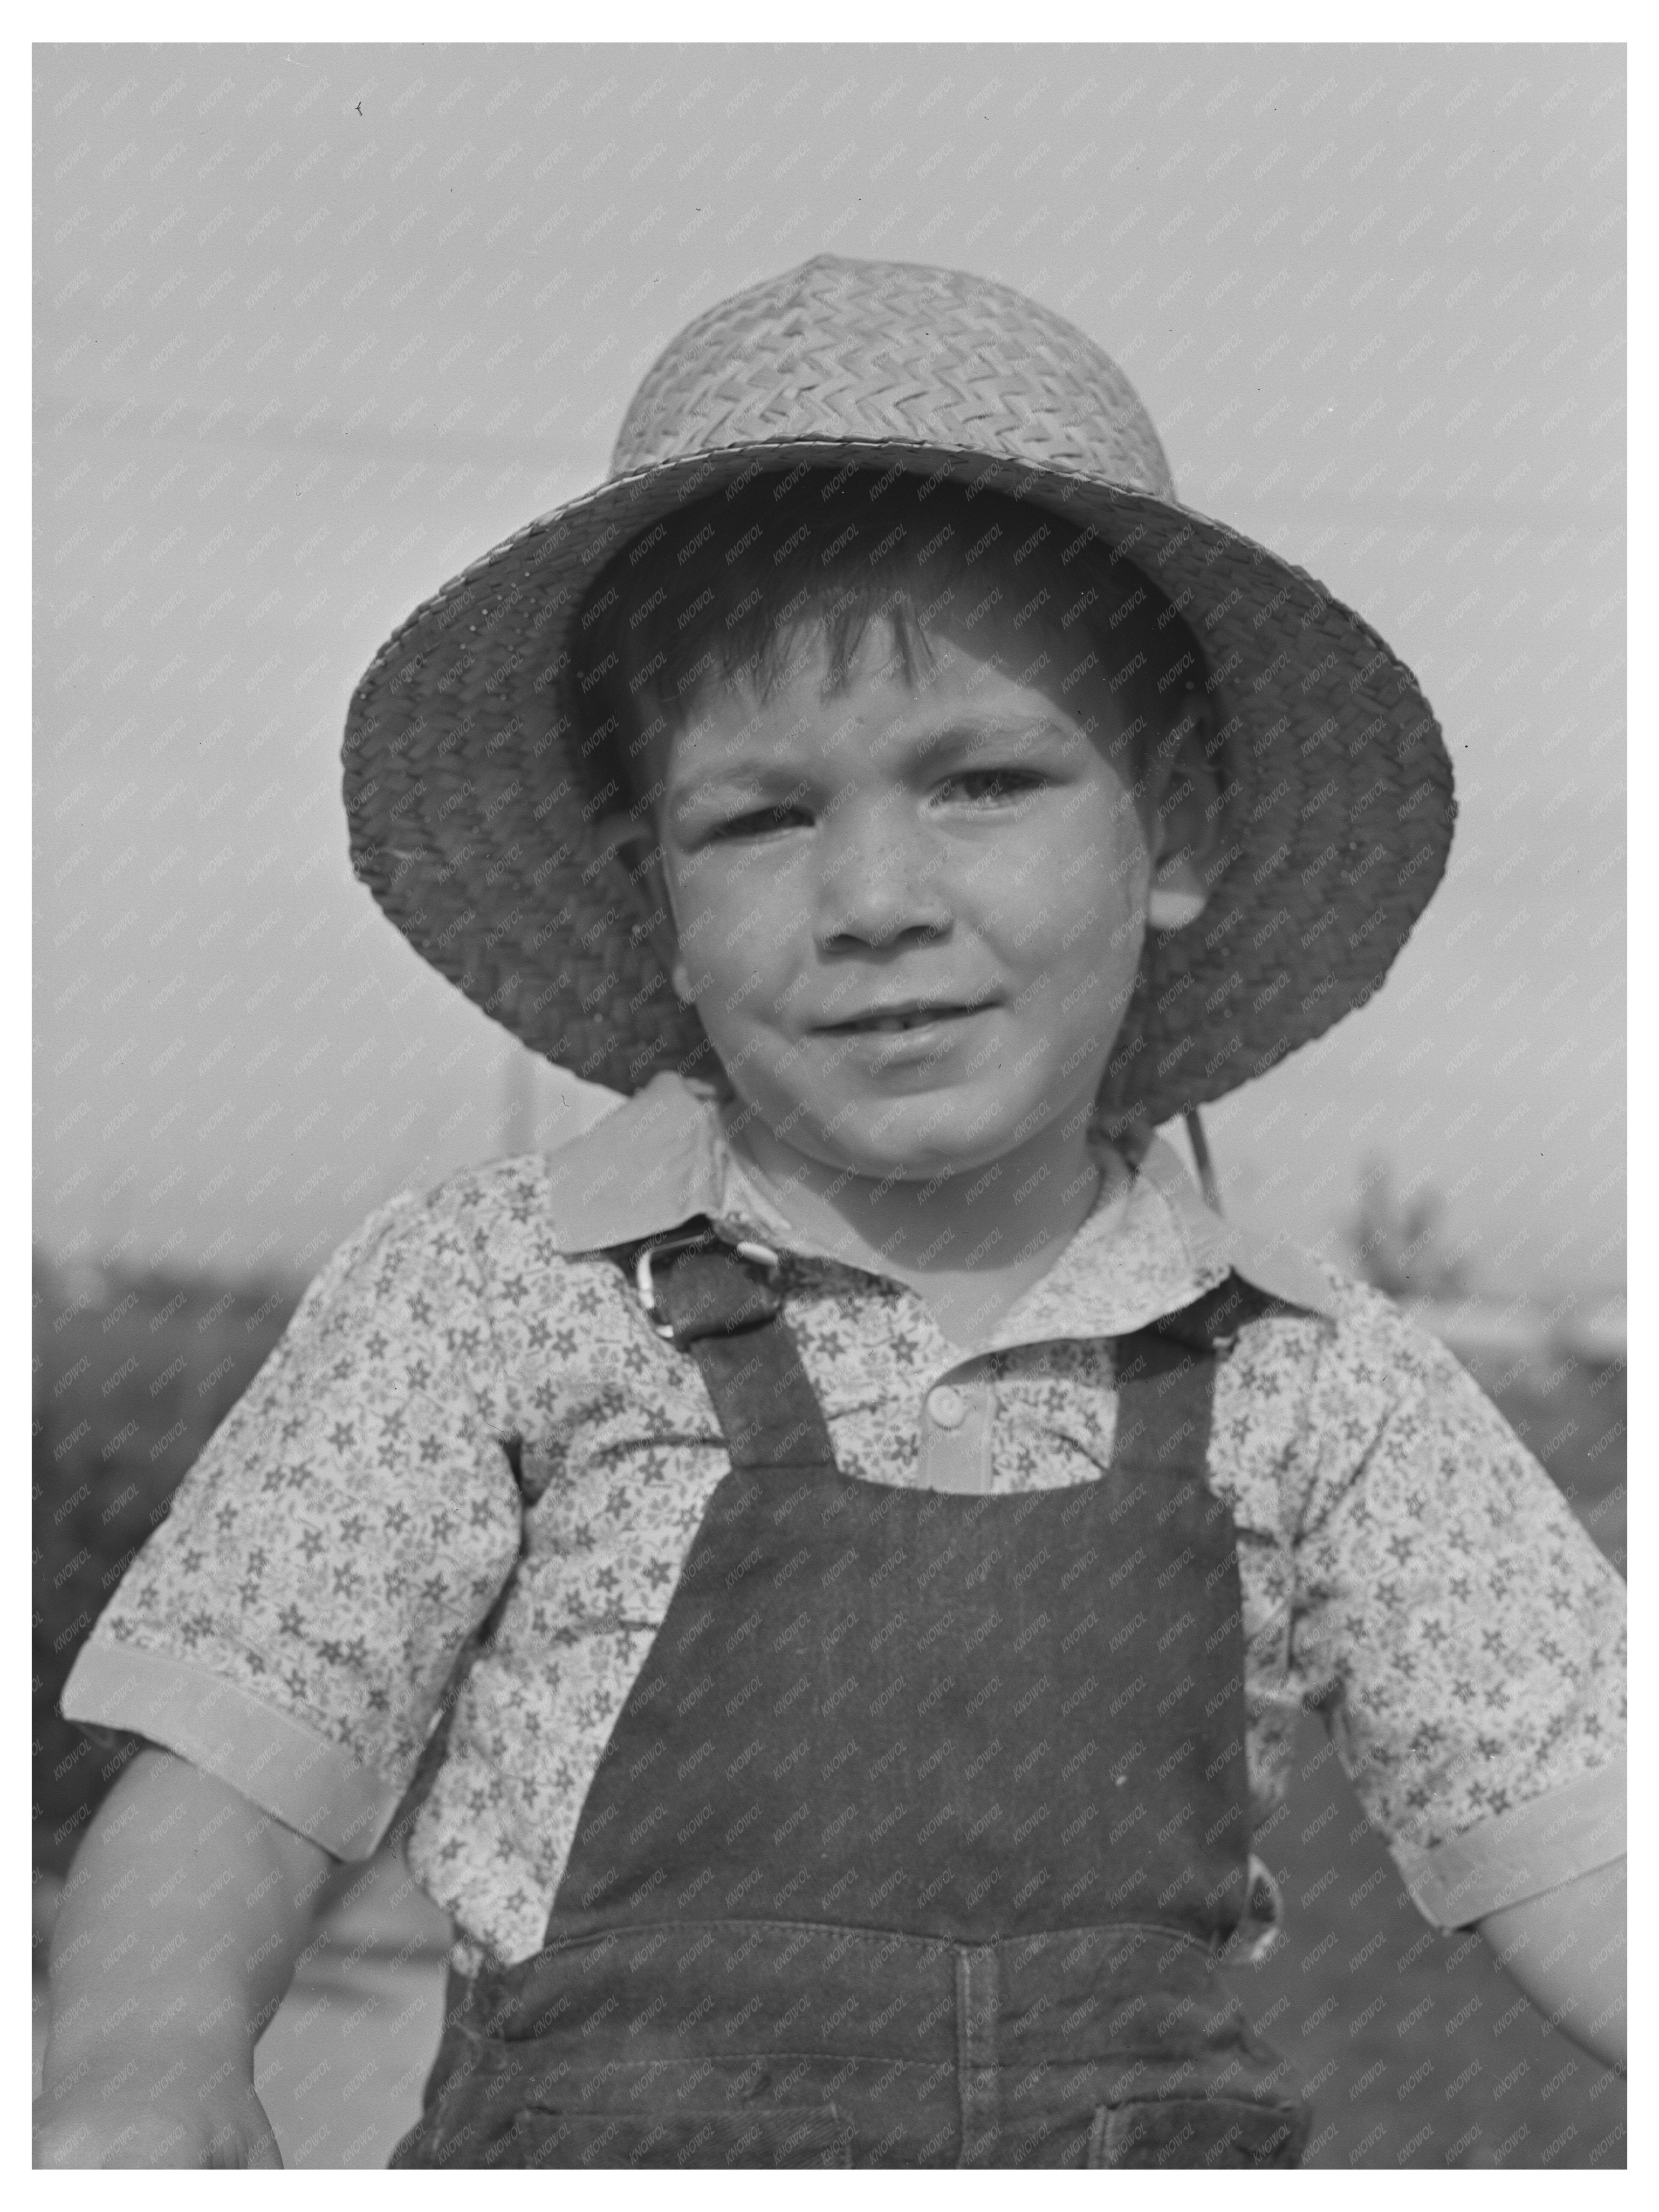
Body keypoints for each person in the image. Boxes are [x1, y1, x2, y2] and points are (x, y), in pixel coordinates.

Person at [37, 254, 1625, 2170]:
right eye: (763, 817)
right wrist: (144, 2058)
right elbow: (240, 1767)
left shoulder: (1315, 1384)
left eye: (982, 780)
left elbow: (1593, 1831)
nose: (874, 893)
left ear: (1178, 837)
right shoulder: (498, 1296)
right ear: (656, 894)